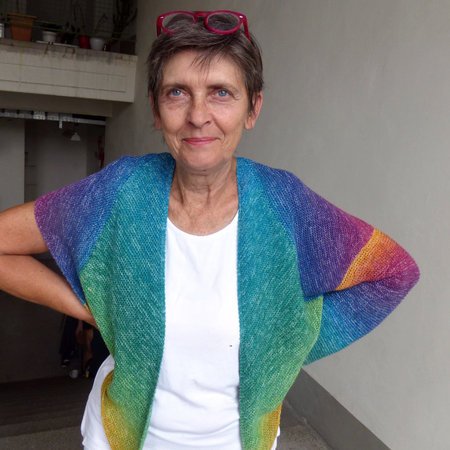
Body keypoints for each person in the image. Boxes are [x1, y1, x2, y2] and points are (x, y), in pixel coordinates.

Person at [0, 10, 419, 450]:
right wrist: (91, 311)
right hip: (121, 436)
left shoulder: (285, 204)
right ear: (156, 110)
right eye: (177, 92)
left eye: (221, 92)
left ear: (253, 108)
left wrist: (284, 343)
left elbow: (393, 272)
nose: (198, 116)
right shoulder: (120, 192)